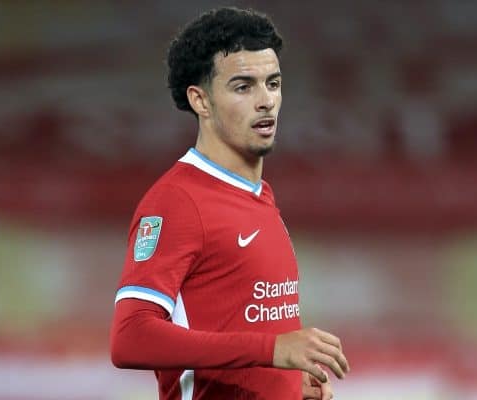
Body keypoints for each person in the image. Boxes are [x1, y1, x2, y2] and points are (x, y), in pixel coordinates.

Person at [110, 7, 349, 399]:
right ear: (201, 101)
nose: (266, 101)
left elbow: (242, 329)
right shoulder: (178, 201)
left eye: (273, 84)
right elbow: (129, 337)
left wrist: (285, 383)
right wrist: (272, 350)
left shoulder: (259, 196)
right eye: (243, 87)